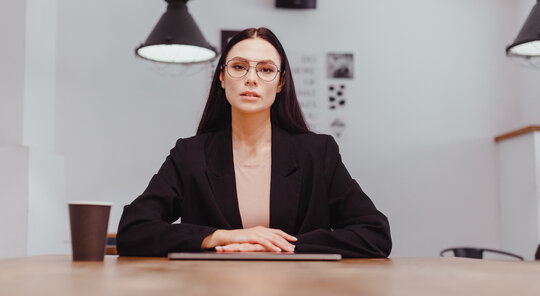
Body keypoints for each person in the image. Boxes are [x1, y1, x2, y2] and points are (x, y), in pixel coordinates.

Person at [116, 27, 391, 258]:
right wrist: (219, 237)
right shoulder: (190, 155)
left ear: (281, 82)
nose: (251, 78)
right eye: (238, 67)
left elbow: (374, 233)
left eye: (266, 70)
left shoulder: (318, 153)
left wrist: (280, 246)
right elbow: (134, 229)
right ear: (222, 77)